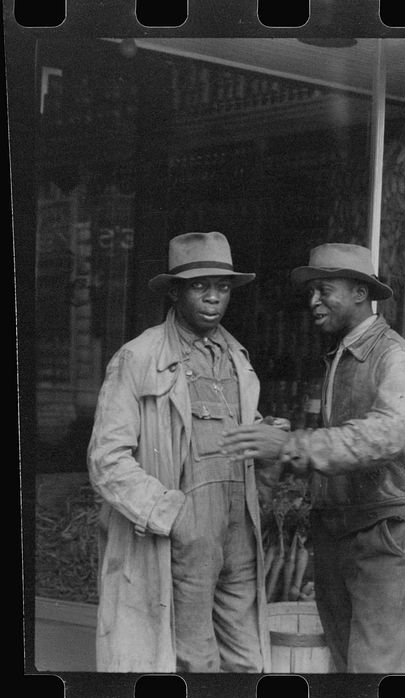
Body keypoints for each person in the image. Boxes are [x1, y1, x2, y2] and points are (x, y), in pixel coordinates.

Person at [219, 243, 405, 673]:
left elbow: (382, 437)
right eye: (311, 291)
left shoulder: (395, 357)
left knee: (377, 673)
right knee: (345, 668)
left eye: (324, 290)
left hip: (387, 538)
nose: (313, 301)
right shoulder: (343, 354)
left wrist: (289, 446)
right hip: (342, 535)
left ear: (360, 292)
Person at [87, 231, 270, 672]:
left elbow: (234, 428)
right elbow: (106, 459)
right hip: (185, 528)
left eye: (222, 287)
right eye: (200, 286)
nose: (213, 298)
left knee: (249, 659)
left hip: (237, 527)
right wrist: (173, 514)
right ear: (175, 291)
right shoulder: (139, 358)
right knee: (195, 660)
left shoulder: (236, 356)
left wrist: (266, 441)